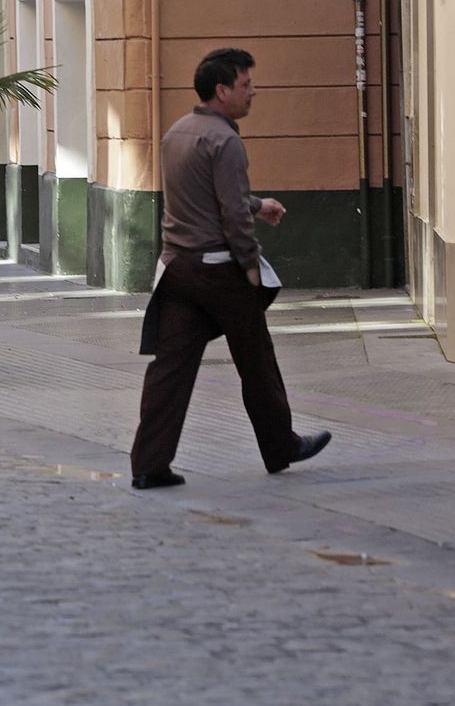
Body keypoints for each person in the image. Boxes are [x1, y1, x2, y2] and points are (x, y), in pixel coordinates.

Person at [129, 47, 331, 489]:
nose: (253, 92)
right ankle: (281, 445)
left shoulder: (177, 133)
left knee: (171, 367)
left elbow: (207, 197)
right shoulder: (226, 141)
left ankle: (149, 464)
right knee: (257, 359)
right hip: (219, 271)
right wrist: (250, 266)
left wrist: (258, 204)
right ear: (221, 91)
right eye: (245, 84)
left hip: (178, 268)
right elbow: (231, 215)